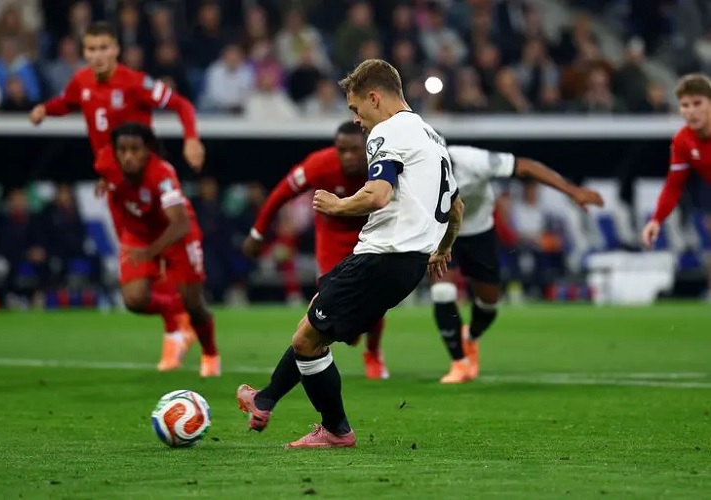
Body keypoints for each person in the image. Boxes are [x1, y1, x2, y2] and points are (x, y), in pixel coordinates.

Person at [236, 59, 464, 449]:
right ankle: (265, 400)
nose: (356, 121)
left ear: (374, 97)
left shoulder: (388, 132)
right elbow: (457, 208)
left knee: (308, 340)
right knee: (314, 322)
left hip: (383, 255)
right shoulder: (432, 136)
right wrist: (442, 248)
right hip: (405, 263)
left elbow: (379, 194)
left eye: (356, 109)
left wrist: (337, 206)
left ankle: (335, 430)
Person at [28, 22, 218, 376]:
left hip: (146, 185)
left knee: (166, 264)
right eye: (90, 49)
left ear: (116, 49)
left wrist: (191, 139)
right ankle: (177, 322)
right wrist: (44, 110)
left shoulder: (135, 83)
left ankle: (179, 332)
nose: (97, 55)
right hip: (117, 189)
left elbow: (181, 105)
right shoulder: (82, 82)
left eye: (103, 47)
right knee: (134, 294)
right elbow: (66, 102)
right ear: (84, 53)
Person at [432, 147, 604, 384]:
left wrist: (572, 191)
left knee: (488, 305)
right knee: (442, 291)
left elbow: (525, 166)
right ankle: (459, 363)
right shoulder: (418, 172)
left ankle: (471, 336)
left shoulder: (473, 161)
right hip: (441, 233)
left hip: (478, 231)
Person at [242, 121, 389, 380]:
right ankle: (320, 350)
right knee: (329, 299)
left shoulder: (383, 164)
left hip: (371, 233)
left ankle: (373, 353)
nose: (348, 157)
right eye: (342, 150)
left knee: (376, 299)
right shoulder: (320, 164)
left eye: (354, 150)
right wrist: (257, 231)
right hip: (332, 236)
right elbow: (281, 193)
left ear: (367, 147)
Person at [96, 122, 217, 374]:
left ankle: (210, 354)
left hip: (176, 233)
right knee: (134, 300)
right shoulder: (107, 165)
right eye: (122, 150)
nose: (128, 156)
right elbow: (114, 196)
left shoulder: (161, 175)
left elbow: (180, 223)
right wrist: (126, 240)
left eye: (135, 150)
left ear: (148, 150)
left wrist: (151, 253)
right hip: (139, 233)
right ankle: (175, 316)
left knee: (193, 304)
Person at [642, 73, 711, 301]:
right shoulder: (683, 141)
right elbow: (674, 185)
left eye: (697, 103)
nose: (690, 111)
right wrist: (656, 220)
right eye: (685, 105)